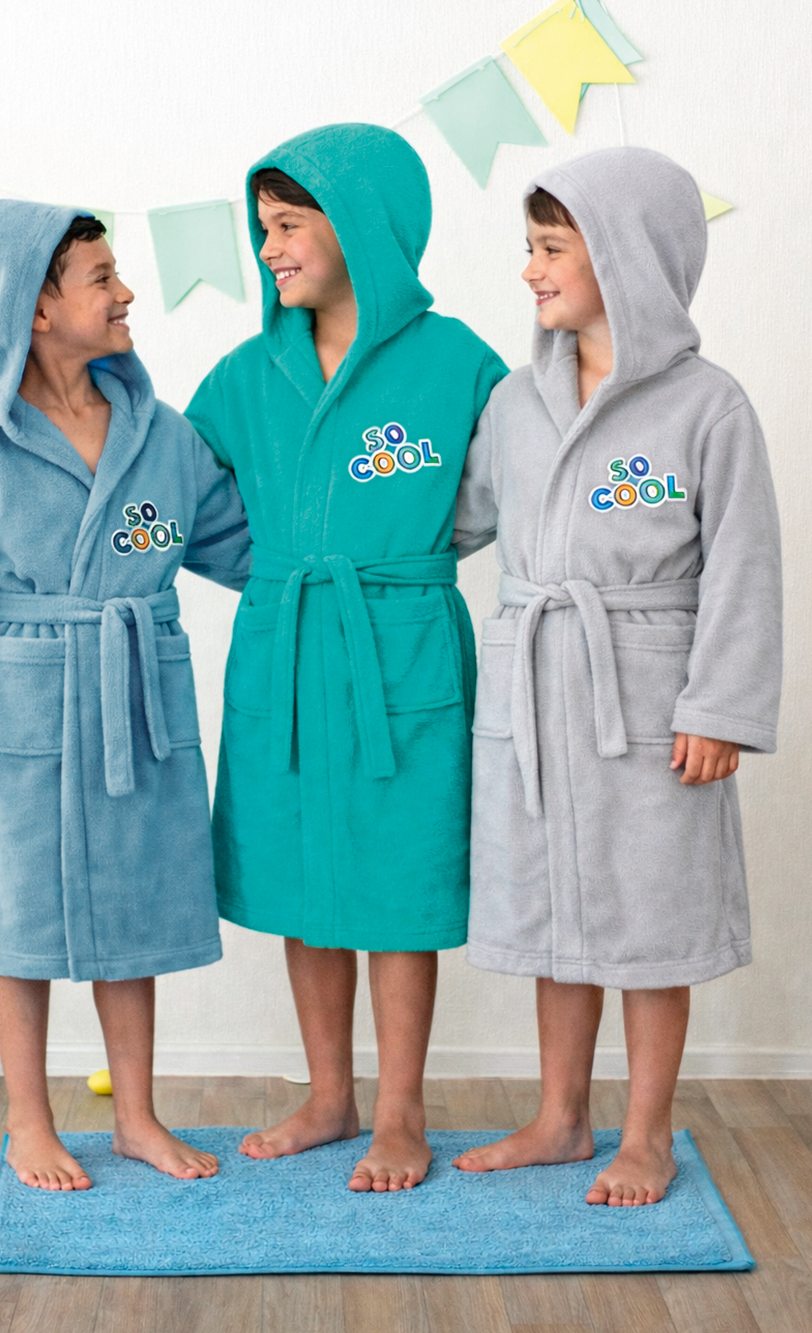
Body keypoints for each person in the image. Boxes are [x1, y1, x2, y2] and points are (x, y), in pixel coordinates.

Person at [452, 147, 782, 1205]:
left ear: (627, 257)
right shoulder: (515, 400)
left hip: (648, 697)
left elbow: (744, 564)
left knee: (649, 923)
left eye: (552, 249)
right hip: (533, 686)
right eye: (531, 248)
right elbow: (456, 519)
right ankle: (559, 1117)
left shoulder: (707, 406)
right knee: (557, 918)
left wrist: (719, 706)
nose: (531, 270)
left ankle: (646, 1133)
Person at [0, 202, 250, 1190]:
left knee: (130, 909)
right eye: (102, 278)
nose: (126, 292)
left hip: (135, 701)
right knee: (20, 918)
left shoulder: (159, 436)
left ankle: (136, 1116)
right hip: (21, 707)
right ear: (36, 306)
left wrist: (350, 551)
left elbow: (241, 544)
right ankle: (28, 1122)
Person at [186, 123, 507, 1192]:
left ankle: (402, 1112)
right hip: (285, 648)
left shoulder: (455, 362)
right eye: (262, 228)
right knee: (303, 876)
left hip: (400, 649)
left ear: (362, 226)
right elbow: (181, 498)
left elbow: (505, 493)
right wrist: (278, 573)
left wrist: (406, 568)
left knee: (398, 883)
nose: (269, 248)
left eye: (289, 225)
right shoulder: (247, 373)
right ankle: (330, 1096)